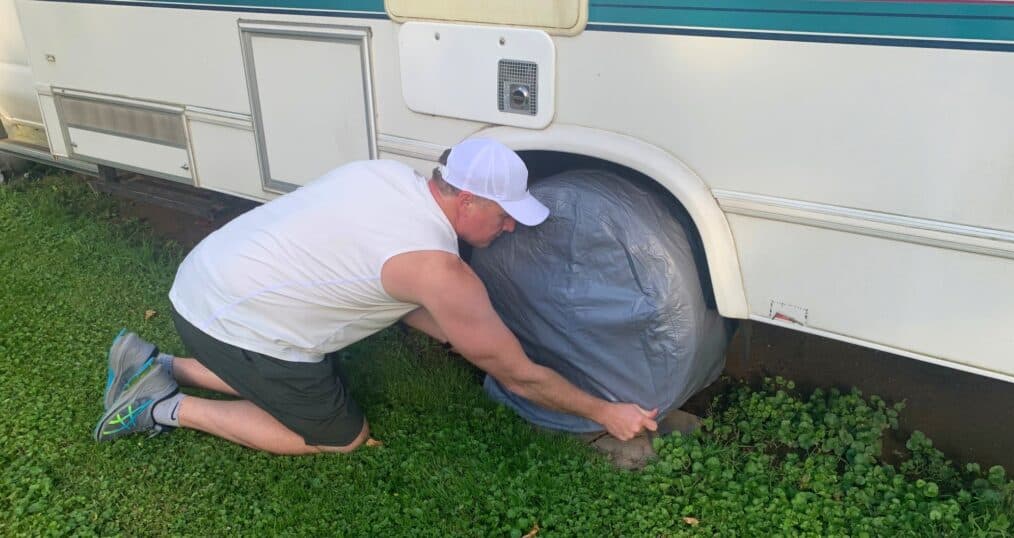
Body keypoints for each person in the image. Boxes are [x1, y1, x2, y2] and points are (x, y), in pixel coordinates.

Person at [93, 138, 659, 455]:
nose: (510, 228)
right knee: (338, 436)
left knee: (302, 361)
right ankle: (158, 407)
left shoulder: (383, 174)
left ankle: (155, 362)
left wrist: (458, 331)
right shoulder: (439, 269)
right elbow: (521, 377)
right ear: (464, 199)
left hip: (203, 280)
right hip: (234, 324)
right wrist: (605, 411)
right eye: (505, 215)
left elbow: (380, 281)